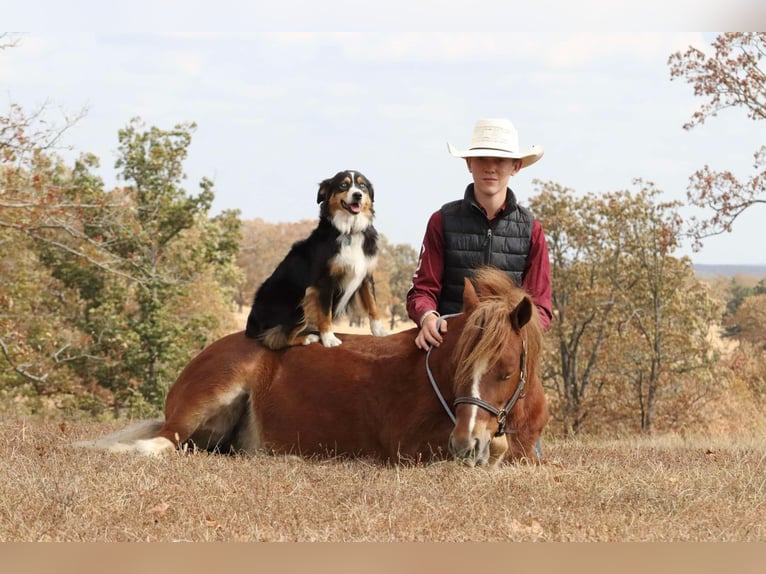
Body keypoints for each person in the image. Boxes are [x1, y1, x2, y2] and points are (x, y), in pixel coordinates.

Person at [406, 117, 553, 349]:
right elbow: (422, 290)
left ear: (515, 166)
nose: (490, 167)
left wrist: (516, 338)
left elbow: (541, 306)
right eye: (482, 158)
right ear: (469, 163)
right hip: (448, 345)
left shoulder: (531, 229)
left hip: (506, 352)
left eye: (500, 159)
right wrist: (427, 317)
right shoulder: (441, 220)